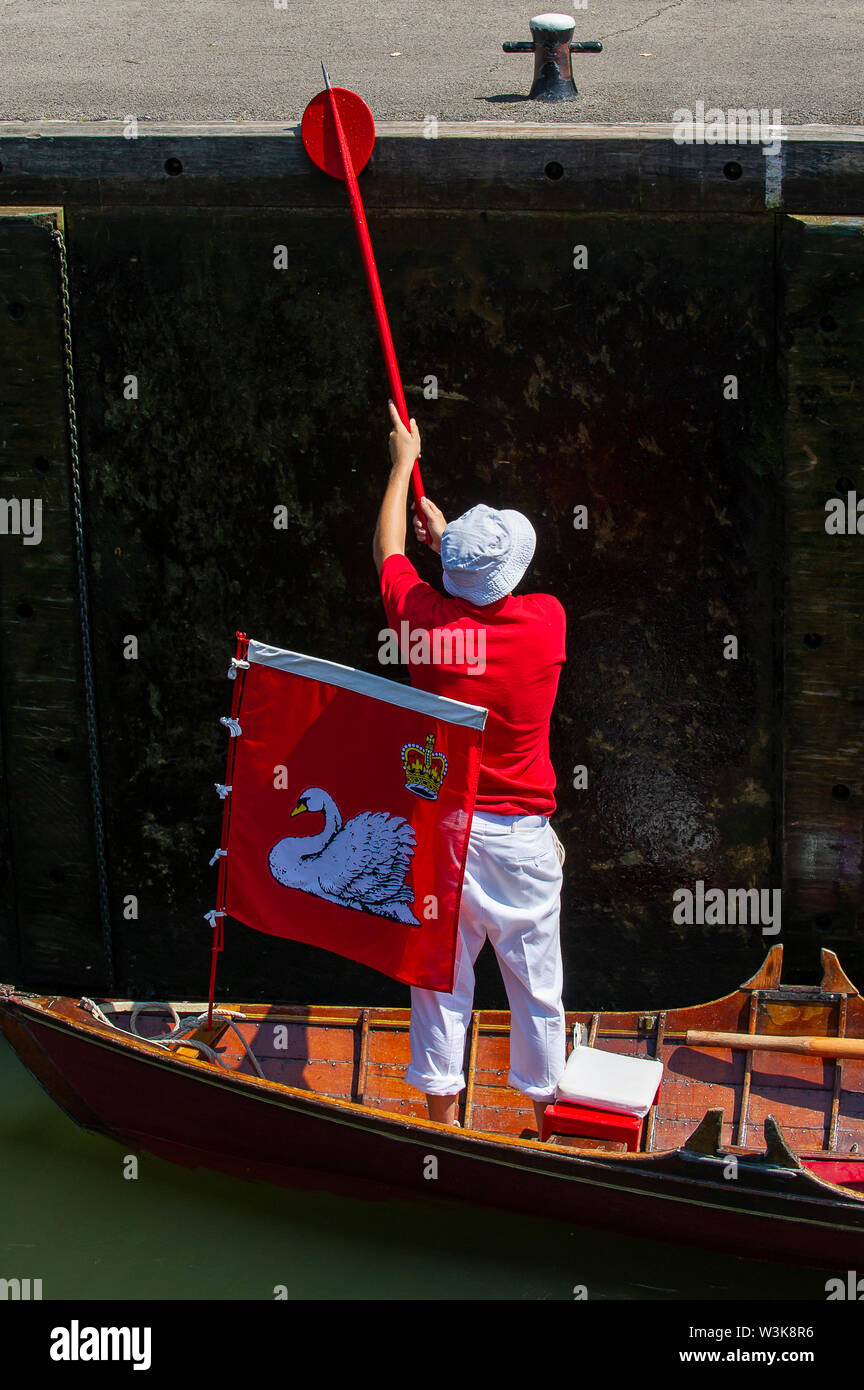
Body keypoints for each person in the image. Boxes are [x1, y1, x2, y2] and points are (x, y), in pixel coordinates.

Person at [373, 402, 567, 1135]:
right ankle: (551, 1124)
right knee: (537, 987)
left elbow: (389, 553)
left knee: (440, 983)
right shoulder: (547, 623)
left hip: (448, 833)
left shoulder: (422, 629)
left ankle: (441, 1128)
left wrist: (400, 465)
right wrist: (452, 545)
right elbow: (473, 594)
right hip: (519, 840)